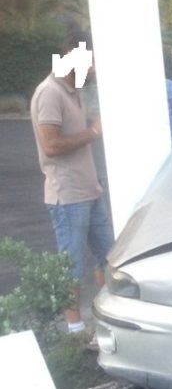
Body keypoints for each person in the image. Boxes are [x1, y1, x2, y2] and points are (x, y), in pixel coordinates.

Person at [30, 30, 114, 336]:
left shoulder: (74, 90)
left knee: (110, 256)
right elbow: (51, 145)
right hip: (67, 197)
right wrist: (93, 133)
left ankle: (106, 317)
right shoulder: (49, 93)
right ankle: (75, 329)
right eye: (90, 64)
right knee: (73, 266)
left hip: (90, 192)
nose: (93, 71)